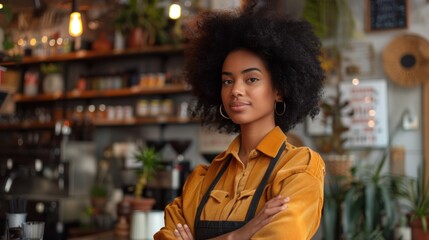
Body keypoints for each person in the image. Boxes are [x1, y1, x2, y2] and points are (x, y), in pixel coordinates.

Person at [154, 1, 325, 239]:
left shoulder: (297, 168)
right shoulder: (202, 179)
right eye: (227, 81)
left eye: (251, 79)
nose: (236, 90)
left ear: (279, 90)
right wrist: (237, 235)